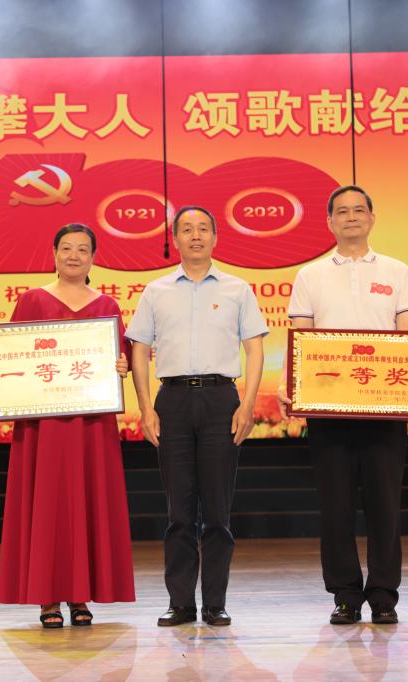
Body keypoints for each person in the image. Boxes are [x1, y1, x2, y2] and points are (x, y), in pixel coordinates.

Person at [0, 223, 134, 628]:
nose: (74, 256)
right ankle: (47, 598)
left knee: (86, 503)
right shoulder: (32, 300)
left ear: (93, 258)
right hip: (42, 429)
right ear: (54, 254)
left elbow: (122, 357)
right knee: (47, 507)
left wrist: (122, 364)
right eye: (66, 248)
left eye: (82, 249)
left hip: (91, 427)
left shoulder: (107, 306)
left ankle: (80, 596)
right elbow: (7, 358)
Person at [277, 185, 408, 626]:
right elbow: (300, 337)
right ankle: (344, 594)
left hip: (384, 407)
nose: (351, 217)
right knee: (335, 506)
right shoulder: (310, 275)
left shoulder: (397, 271)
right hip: (328, 407)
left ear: (372, 218)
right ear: (330, 222)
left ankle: (384, 594)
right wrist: (289, 384)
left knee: (384, 505)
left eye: (359, 210)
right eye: (342, 211)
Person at [126, 206, 267, 627]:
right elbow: (138, 350)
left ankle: (215, 603)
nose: (195, 236)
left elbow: (255, 349)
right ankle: (181, 603)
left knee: (218, 511)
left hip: (221, 399)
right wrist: (145, 407)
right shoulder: (156, 291)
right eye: (186, 229)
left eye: (203, 229)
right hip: (171, 401)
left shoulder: (237, 289)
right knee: (180, 511)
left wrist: (247, 404)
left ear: (215, 237)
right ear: (175, 238)